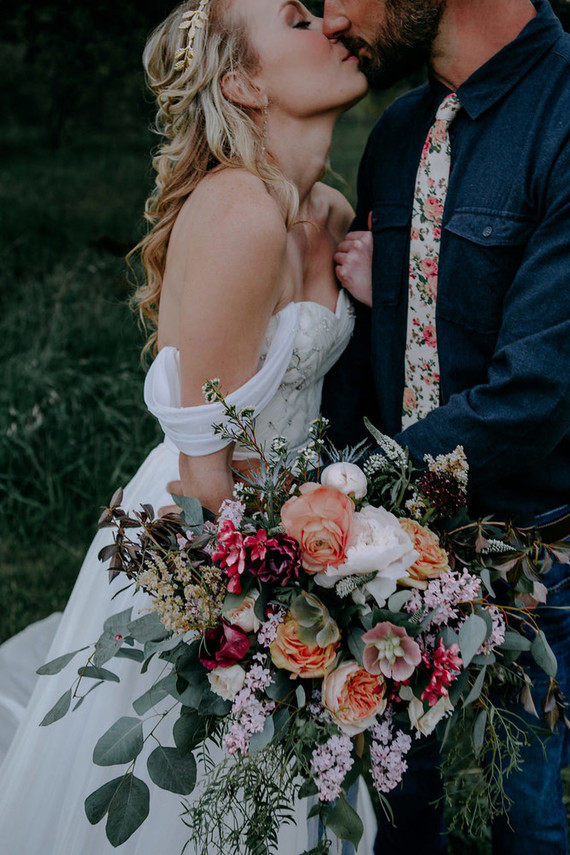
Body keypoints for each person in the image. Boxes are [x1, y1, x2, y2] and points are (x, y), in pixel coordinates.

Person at [0, 1, 378, 852]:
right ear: (244, 83)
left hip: (300, 530)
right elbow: (205, 468)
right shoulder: (239, 210)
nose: (329, 23)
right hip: (206, 541)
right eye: (296, 20)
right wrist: (269, 613)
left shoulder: (328, 211)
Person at [320, 0, 570, 853]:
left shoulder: (563, 120)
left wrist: (348, 489)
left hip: (525, 562)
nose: (331, 16)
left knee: (515, 816)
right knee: (398, 811)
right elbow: (365, 364)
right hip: (387, 566)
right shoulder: (398, 134)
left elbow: (536, 392)